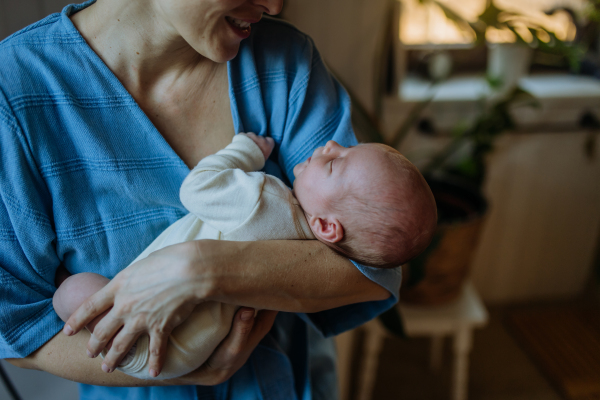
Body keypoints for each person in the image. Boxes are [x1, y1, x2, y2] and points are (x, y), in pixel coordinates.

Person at [0, 0, 405, 398]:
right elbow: (15, 327)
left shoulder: (282, 62)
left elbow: (374, 258)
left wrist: (202, 269)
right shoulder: (14, 93)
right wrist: (181, 372)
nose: (275, 5)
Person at [52, 132, 437, 380]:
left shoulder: (264, 201)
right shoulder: (305, 253)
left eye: (336, 162)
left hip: (140, 341)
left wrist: (246, 150)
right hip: (188, 358)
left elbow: (197, 188)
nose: (333, 144)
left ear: (327, 227)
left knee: (71, 291)